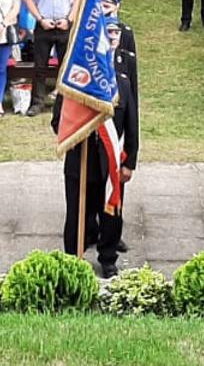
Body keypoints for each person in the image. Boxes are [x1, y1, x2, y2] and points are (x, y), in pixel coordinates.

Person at [56, 16, 144, 277]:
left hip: (111, 158)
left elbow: (132, 122)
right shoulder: (77, 80)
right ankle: (73, 257)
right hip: (81, 156)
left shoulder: (123, 80)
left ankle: (108, 258)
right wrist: (75, 134)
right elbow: (57, 120)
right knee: (77, 212)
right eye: (107, 34)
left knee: (111, 210)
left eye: (115, 34)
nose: (112, 39)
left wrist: (130, 162)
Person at [21, 0, 80, 111]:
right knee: (40, 66)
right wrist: (40, 18)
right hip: (44, 24)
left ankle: (65, 104)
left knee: (65, 66)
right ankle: (37, 103)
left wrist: (69, 19)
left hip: (64, 24)